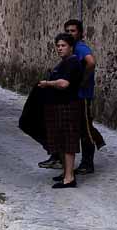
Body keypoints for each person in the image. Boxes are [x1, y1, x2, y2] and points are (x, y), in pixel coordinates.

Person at [38, 19, 105, 174]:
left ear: (80, 33)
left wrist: (82, 81)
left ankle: (87, 163)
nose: (70, 33)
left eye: (73, 31)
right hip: (72, 98)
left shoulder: (80, 48)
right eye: (67, 31)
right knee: (66, 127)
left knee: (85, 129)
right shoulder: (71, 49)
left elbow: (91, 62)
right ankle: (58, 157)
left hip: (82, 96)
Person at [37, 33, 82, 189]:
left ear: (70, 47)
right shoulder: (64, 63)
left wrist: (47, 83)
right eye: (58, 46)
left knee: (68, 142)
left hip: (67, 106)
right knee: (62, 142)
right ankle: (66, 174)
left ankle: (69, 178)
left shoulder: (73, 63)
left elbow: (64, 84)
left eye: (63, 45)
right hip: (59, 106)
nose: (60, 48)